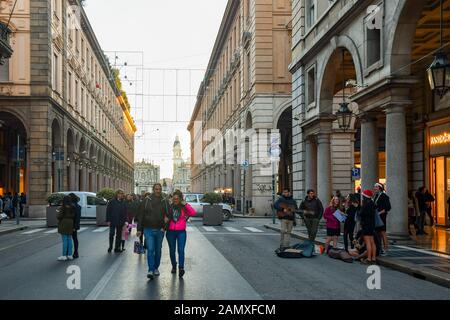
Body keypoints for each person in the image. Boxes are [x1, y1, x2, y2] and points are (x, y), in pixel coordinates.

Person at [136, 183, 169, 280]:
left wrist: (165, 227)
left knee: (158, 250)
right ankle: (150, 269)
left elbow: (169, 215)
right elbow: (140, 215)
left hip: (160, 230)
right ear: (153, 190)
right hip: (148, 229)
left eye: (159, 189)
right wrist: (139, 229)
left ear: (161, 190)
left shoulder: (165, 201)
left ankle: (156, 268)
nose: (158, 191)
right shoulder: (146, 200)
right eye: (156, 189)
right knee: (150, 249)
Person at [166, 190, 196, 278]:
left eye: (177, 198)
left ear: (180, 199)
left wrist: (185, 204)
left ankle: (181, 268)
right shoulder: (169, 206)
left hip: (181, 232)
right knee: (172, 250)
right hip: (170, 231)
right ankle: (174, 266)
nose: (175, 200)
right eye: (174, 198)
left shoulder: (184, 207)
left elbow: (193, 212)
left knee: (181, 250)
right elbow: (164, 215)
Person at [106, 189, 127, 253]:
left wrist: (125, 221)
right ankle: (110, 247)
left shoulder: (124, 202)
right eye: (120, 193)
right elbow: (108, 211)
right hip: (112, 220)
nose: (121, 195)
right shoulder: (112, 202)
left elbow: (125, 212)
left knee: (119, 235)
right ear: (117, 194)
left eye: (122, 193)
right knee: (111, 234)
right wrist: (108, 220)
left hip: (121, 221)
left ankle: (117, 248)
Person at [373, 183, 391, 255]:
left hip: (381, 217)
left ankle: (386, 249)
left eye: (376, 187)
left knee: (383, 233)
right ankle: (379, 248)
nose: (374, 188)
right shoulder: (376, 196)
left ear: (380, 188)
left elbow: (388, 207)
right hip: (376, 216)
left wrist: (379, 213)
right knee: (377, 233)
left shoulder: (384, 196)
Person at [360, 189, 377, 264]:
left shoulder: (365, 205)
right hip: (372, 224)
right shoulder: (372, 203)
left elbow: (361, 214)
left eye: (363, 196)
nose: (362, 197)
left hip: (366, 224)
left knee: (368, 242)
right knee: (372, 242)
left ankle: (369, 259)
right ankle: (373, 258)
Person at [57, 196, 75, 261]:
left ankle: (64, 255)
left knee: (64, 240)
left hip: (64, 222)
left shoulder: (63, 207)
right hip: (71, 223)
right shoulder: (73, 207)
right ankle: (70, 255)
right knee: (69, 239)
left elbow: (59, 216)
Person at [69, 193, 81, 259]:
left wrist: (74, 227)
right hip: (74, 225)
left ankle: (74, 252)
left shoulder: (73, 206)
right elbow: (78, 218)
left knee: (71, 239)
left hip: (72, 225)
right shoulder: (78, 206)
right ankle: (75, 252)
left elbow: (77, 218)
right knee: (74, 239)